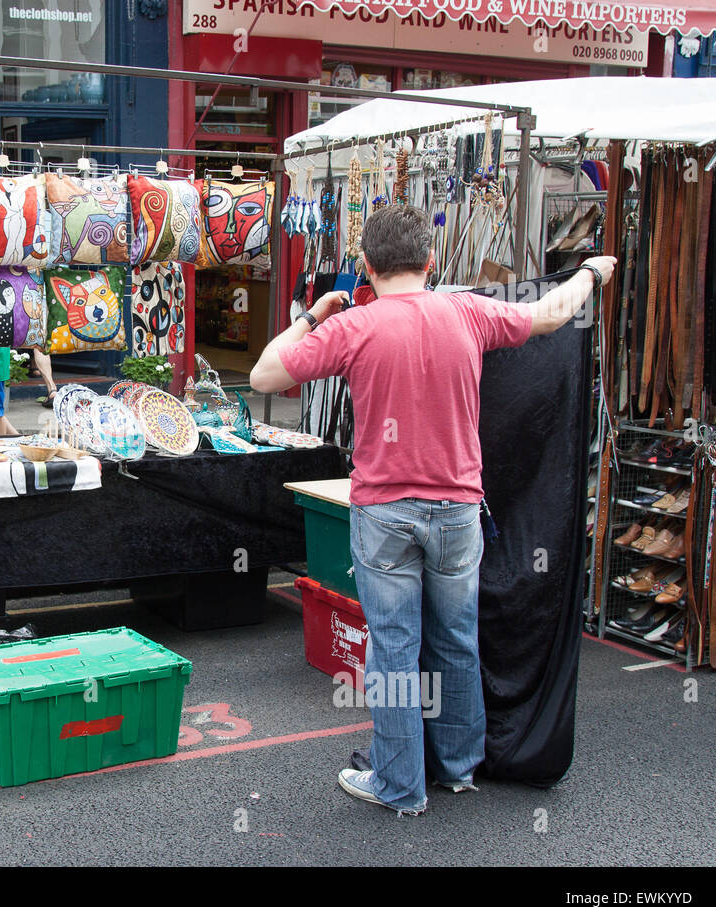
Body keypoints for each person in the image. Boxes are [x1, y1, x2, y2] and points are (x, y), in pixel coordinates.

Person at [250, 204, 616, 815]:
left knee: (394, 650)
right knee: (456, 639)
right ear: (432, 260)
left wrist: (316, 313)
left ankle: (399, 785)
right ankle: (457, 768)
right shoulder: (467, 312)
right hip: (457, 512)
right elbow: (551, 316)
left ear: (366, 264)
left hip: (385, 513)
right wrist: (592, 273)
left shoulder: (354, 327)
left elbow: (262, 375)